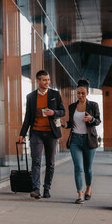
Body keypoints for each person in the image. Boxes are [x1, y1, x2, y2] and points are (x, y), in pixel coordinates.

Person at [19, 70, 65, 199]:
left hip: (51, 133)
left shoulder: (55, 94)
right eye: (44, 80)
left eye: (48, 79)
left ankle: (47, 188)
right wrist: (22, 134)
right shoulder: (31, 97)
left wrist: (54, 113)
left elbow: (63, 111)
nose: (47, 82)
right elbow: (28, 117)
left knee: (50, 162)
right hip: (36, 133)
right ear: (38, 81)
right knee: (36, 161)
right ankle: (36, 189)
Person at [61, 79, 101, 204]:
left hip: (89, 140)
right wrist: (64, 124)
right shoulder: (72, 106)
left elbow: (98, 121)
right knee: (78, 167)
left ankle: (88, 188)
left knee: (88, 168)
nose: (80, 95)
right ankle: (80, 193)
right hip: (75, 140)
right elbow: (71, 124)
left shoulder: (93, 105)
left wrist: (91, 118)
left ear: (87, 93)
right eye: (78, 93)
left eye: (83, 93)